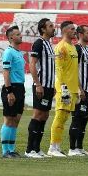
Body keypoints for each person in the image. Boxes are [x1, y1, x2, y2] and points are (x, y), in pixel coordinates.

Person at [26, 18, 55, 159]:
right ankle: (29, 149)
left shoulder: (50, 44)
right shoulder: (39, 43)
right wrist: (38, 84)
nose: (53, 28)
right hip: (41, 85)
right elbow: (32, 64)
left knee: (44, 116)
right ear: (43, 29)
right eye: (50, 26)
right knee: (37, 115)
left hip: (49, 86)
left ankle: (37, 149)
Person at [49, 21, 79, 157]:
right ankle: (52, 147)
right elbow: (59, 69)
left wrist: (77, 88)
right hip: (64, 88)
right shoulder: (61, 47)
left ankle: (57, 146)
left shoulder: (72, 46)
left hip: (72, 88)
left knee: (65, 117)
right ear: (65, 31)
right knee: (60, 116)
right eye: (72, 29)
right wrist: (63, 88)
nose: (75, 31)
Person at [0, 26, 26, 158]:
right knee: (9, 120)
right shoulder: (8, 53)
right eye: (17, 34)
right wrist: (9, 91)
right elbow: (6, 72)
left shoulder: (18, 53)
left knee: (16, 119)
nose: (21, 36)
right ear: (11, 38)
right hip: (11, 88)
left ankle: (12, 148)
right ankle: (5, 150)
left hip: (20, 88)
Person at [70, 25, 88, 155]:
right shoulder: (77, 49)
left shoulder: (87, 50)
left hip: (87, 89)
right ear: (80, 34)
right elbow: (73, 70)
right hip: (80, 90)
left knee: (84, 118)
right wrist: (80, 89)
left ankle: (79, 147)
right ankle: (72, 148)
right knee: (77, 118)